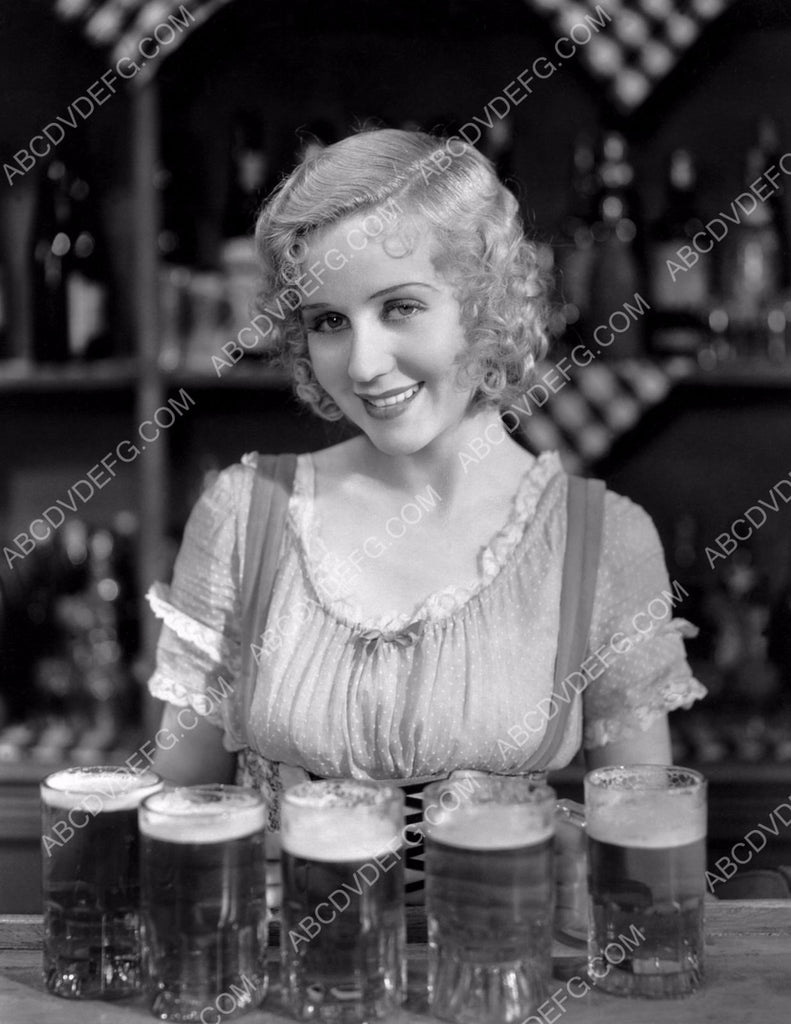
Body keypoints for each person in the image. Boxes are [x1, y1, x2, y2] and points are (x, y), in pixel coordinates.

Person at [146, 128, 706, 899]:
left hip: (500, 963)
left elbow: (643, 866)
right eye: (328, 321)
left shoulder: (603, 539)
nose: (364, 364)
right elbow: (178, 811)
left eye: (400, 307)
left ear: (485, 302)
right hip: (292, 968)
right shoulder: (246, 514)